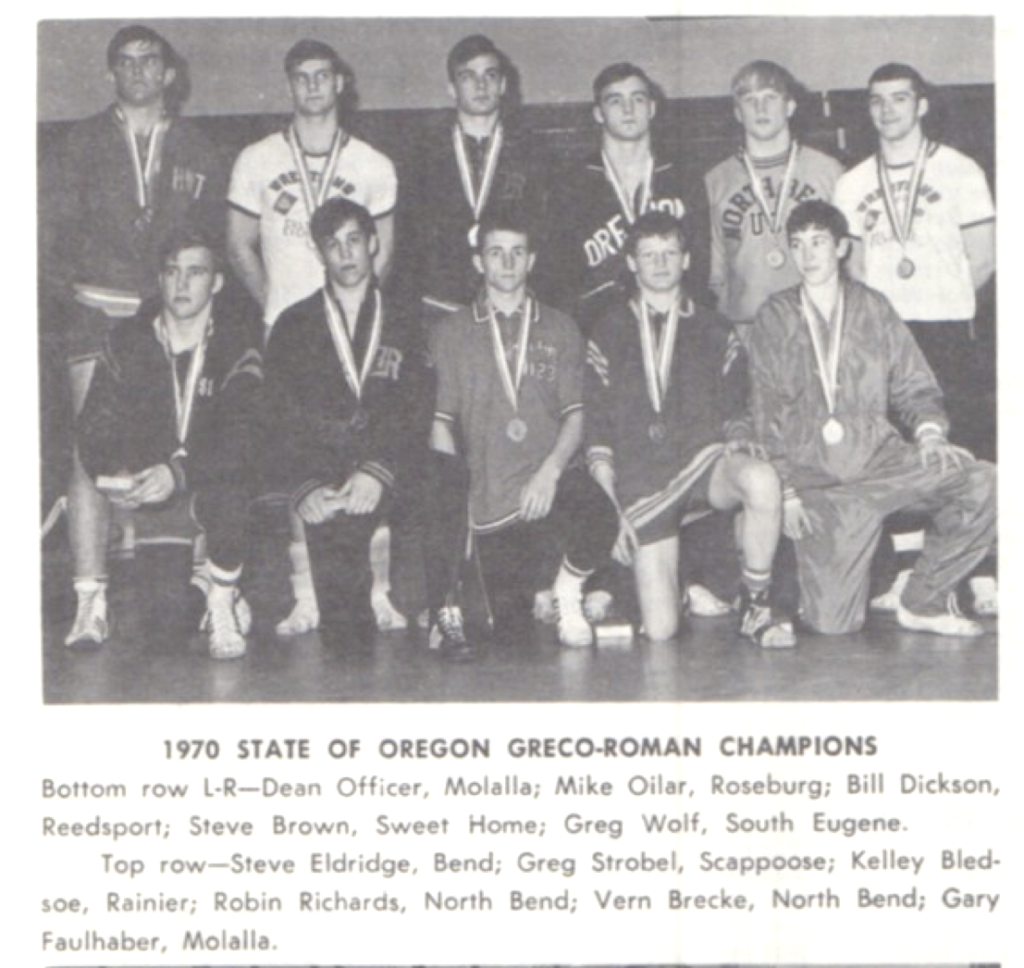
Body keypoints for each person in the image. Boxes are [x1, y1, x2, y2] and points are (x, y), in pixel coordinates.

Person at [41, 24, 227, 647]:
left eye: (150, 60)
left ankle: (209, 584)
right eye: (126, 61)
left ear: (169, 73)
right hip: (98, 313)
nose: (139, 70)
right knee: (88, 450)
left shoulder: (198, 145)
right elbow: (43, 236)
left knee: (188, 438)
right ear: (110, 73)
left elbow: (212, 239)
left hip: (170, 316)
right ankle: (89, 598)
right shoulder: (78, 143)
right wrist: (77, 291)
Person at [747, 200, 996, 636]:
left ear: (842, 247)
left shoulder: (874, 307)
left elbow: (913, 382)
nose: (808, 255)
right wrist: (785, 491)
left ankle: (923, 601)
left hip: (881, 464)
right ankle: (816, 583)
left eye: (818, 242)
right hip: (821, 484)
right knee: (833, 626)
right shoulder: (773, 316)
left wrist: (930, 434)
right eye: (798, 244)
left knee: (984, 482)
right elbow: (766, 410)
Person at [227, 39, 400, 635]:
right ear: (288, 85)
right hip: (290, 332)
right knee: (300, 456)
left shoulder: (374, 164)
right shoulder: (255, 158)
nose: (312, 86)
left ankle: (380, 592)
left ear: (340, 82)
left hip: (357, 332)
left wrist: (357, 319)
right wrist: (280, 312)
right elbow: (238, 244)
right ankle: (307, 598)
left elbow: (383, 251)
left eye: (322, 75)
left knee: (368, 449)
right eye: (301, 77)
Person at [584, 211, 794, 647]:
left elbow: (736, 404)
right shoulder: (608, 330)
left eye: (669, 253)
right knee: (661, 631)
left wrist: (739, 436)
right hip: (641, 483)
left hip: (704, 465)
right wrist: (609, 512)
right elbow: (597, 430)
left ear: (686, 260)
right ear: (631, 263)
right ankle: (673, 583)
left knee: (761, 479)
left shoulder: (714, 326)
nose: (660, 263)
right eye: (649, 255)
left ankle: (755, 605)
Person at [833, 63, 997, 616]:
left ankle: (980, 572)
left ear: (922, 105)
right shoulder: (852, 182)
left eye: (899, 98)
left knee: (963, 449)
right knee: (898, 455)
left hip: (948, 331)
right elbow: (853, 269)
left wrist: (940, 298)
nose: (887, 110)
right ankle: (907, 571)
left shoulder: (961, 170)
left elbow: (983, 258)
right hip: (885, 338)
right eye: (877, 100)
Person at [430, 208, 618, 652]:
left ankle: (567, 593)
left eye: (518, 252)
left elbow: (576, 415)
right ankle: (516, 593)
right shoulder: (451, 332)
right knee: (504, 635)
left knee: (600, 514)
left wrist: (550, 473)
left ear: (531, 260)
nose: (508, 262)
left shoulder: (560, 326)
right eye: (496, 253)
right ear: (479, 261)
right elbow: (440, 424)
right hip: (491, 498)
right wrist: (456, 503)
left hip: (547, 483)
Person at [75, 229, 263, 659]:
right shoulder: (127, 341)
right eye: (173, 272)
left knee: (233, 483)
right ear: (159, 280)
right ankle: (206, 584)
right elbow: (94, 423)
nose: (182, 284)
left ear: (216, 282)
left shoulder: (238, 342)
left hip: (214, 484)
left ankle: (223, 596)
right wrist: (116, 469)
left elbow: (243, 432)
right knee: (164, 627)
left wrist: (178, 473)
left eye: (196, 273)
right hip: (156, 491)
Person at [262, 198, 420, 649]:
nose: (346, 254)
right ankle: (306, 597)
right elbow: (278, 415)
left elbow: (416, 406)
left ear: (373, 243)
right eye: (333, 244)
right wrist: (305, 484)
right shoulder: (293, 324)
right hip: (322, 468)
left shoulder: (406, 319)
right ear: (319, 252)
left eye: (354, 240)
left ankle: (382, 591)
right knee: (343, 626)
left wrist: (377, 470)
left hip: (385, 464)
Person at [549, 62, 710, 329]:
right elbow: (560, 274)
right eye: (615, 101)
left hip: (673, 324)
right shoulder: (572, 183)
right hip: (599, 326)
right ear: (598, 113)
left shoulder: (682, 176)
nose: (628, 109)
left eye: (638, 99)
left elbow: (701, 263)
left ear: (652, 108)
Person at [412, 33, 549, 315]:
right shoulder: (424, 154)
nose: (481, 85)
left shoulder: (534, 152)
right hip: (442, 299)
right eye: (468, 76)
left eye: (490, 75)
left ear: (503, 85)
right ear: (452, 88)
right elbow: (411, 240)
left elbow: (545, 233)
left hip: (512, 299)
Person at [705, 60, 843, 337]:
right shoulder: (716, 179)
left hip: (815, 323)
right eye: (750, 100)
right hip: (746, 327)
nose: (761, 108)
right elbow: (716, 269)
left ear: (789, 107)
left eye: (770, 98)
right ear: (738, 113)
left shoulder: (829, 171)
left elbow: (848, 258)